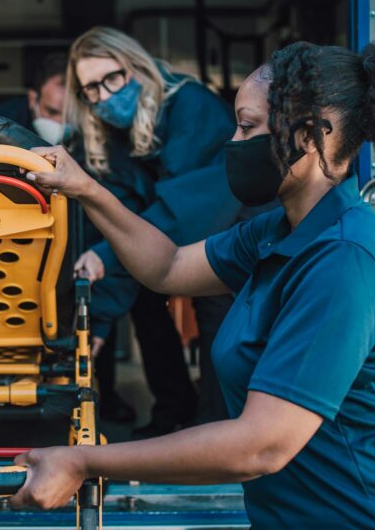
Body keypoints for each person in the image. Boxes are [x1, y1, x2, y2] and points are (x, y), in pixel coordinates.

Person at [14, 36, 375, 530]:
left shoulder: (346, 257)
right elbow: (168, 266)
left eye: (249, 129)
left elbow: (261, 444)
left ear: (314, 133)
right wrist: (84, 187)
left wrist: (84, 460)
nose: (234, 143)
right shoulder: (277, 229)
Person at [62, 27, 241, 436]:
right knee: (145, 297)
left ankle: (216, 429)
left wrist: (107, 254)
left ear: (135, 67)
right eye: (91, 89)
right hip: (177, 232)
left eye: (112, 79)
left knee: (217, 310)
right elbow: (124, 218)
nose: (104, 96)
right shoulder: (112, 137)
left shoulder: (189, 106)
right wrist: (99, 324)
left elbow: (184, 208)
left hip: (228, 228)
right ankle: (173, 412)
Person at [0, 52, 68, 144]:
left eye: (69, 115)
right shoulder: (0, 123)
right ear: (32, 99)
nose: (61, 122)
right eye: (52, 111)